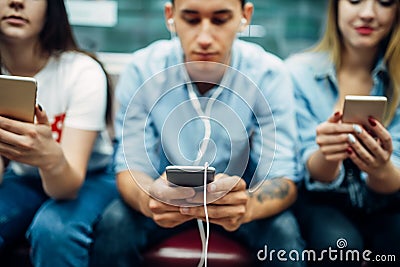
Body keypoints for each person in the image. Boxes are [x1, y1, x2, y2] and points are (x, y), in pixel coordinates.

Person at [91, 0, 305, 266]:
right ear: (170, 16)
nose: (204, 38)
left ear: (245, 16)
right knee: (115, 225)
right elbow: (129, 167)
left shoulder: (269, 74)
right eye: (191, 20)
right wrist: (150, 200)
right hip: (164, 193)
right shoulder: (143, 69)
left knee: (283, 234)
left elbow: (283, 178)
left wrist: (247, 206)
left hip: (240, 198)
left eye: (220, 20)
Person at [0, 0, 117, 266]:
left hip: (89, 176)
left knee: (54, 231)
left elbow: (66, 188)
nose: (16, 2)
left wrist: (49, 159)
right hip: (23, 177)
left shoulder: (82, 72)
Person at [285, 0, 400, 266]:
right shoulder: (297, 73)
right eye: (355, 0)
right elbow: (309, 171)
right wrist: (328, 154)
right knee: (338, 245)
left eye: (384, 2)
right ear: (335, 7)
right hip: (321, 201)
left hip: (387, 198)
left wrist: (380, 167)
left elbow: (394, 181)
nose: (368, 14)